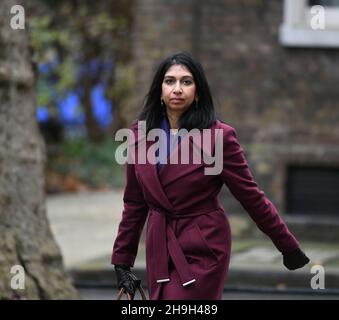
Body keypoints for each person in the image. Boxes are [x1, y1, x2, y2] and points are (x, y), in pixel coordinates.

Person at [111, 51, 310, 300]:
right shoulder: (139, 135)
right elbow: (134, 202)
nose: (177, 89)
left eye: (186, 81)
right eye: (170, 81)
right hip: (159, 246)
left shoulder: (219, 137)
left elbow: (251, 196)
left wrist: (287, 246)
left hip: (203, 246)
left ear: (198, 91)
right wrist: (122, 261)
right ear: (159, 90)